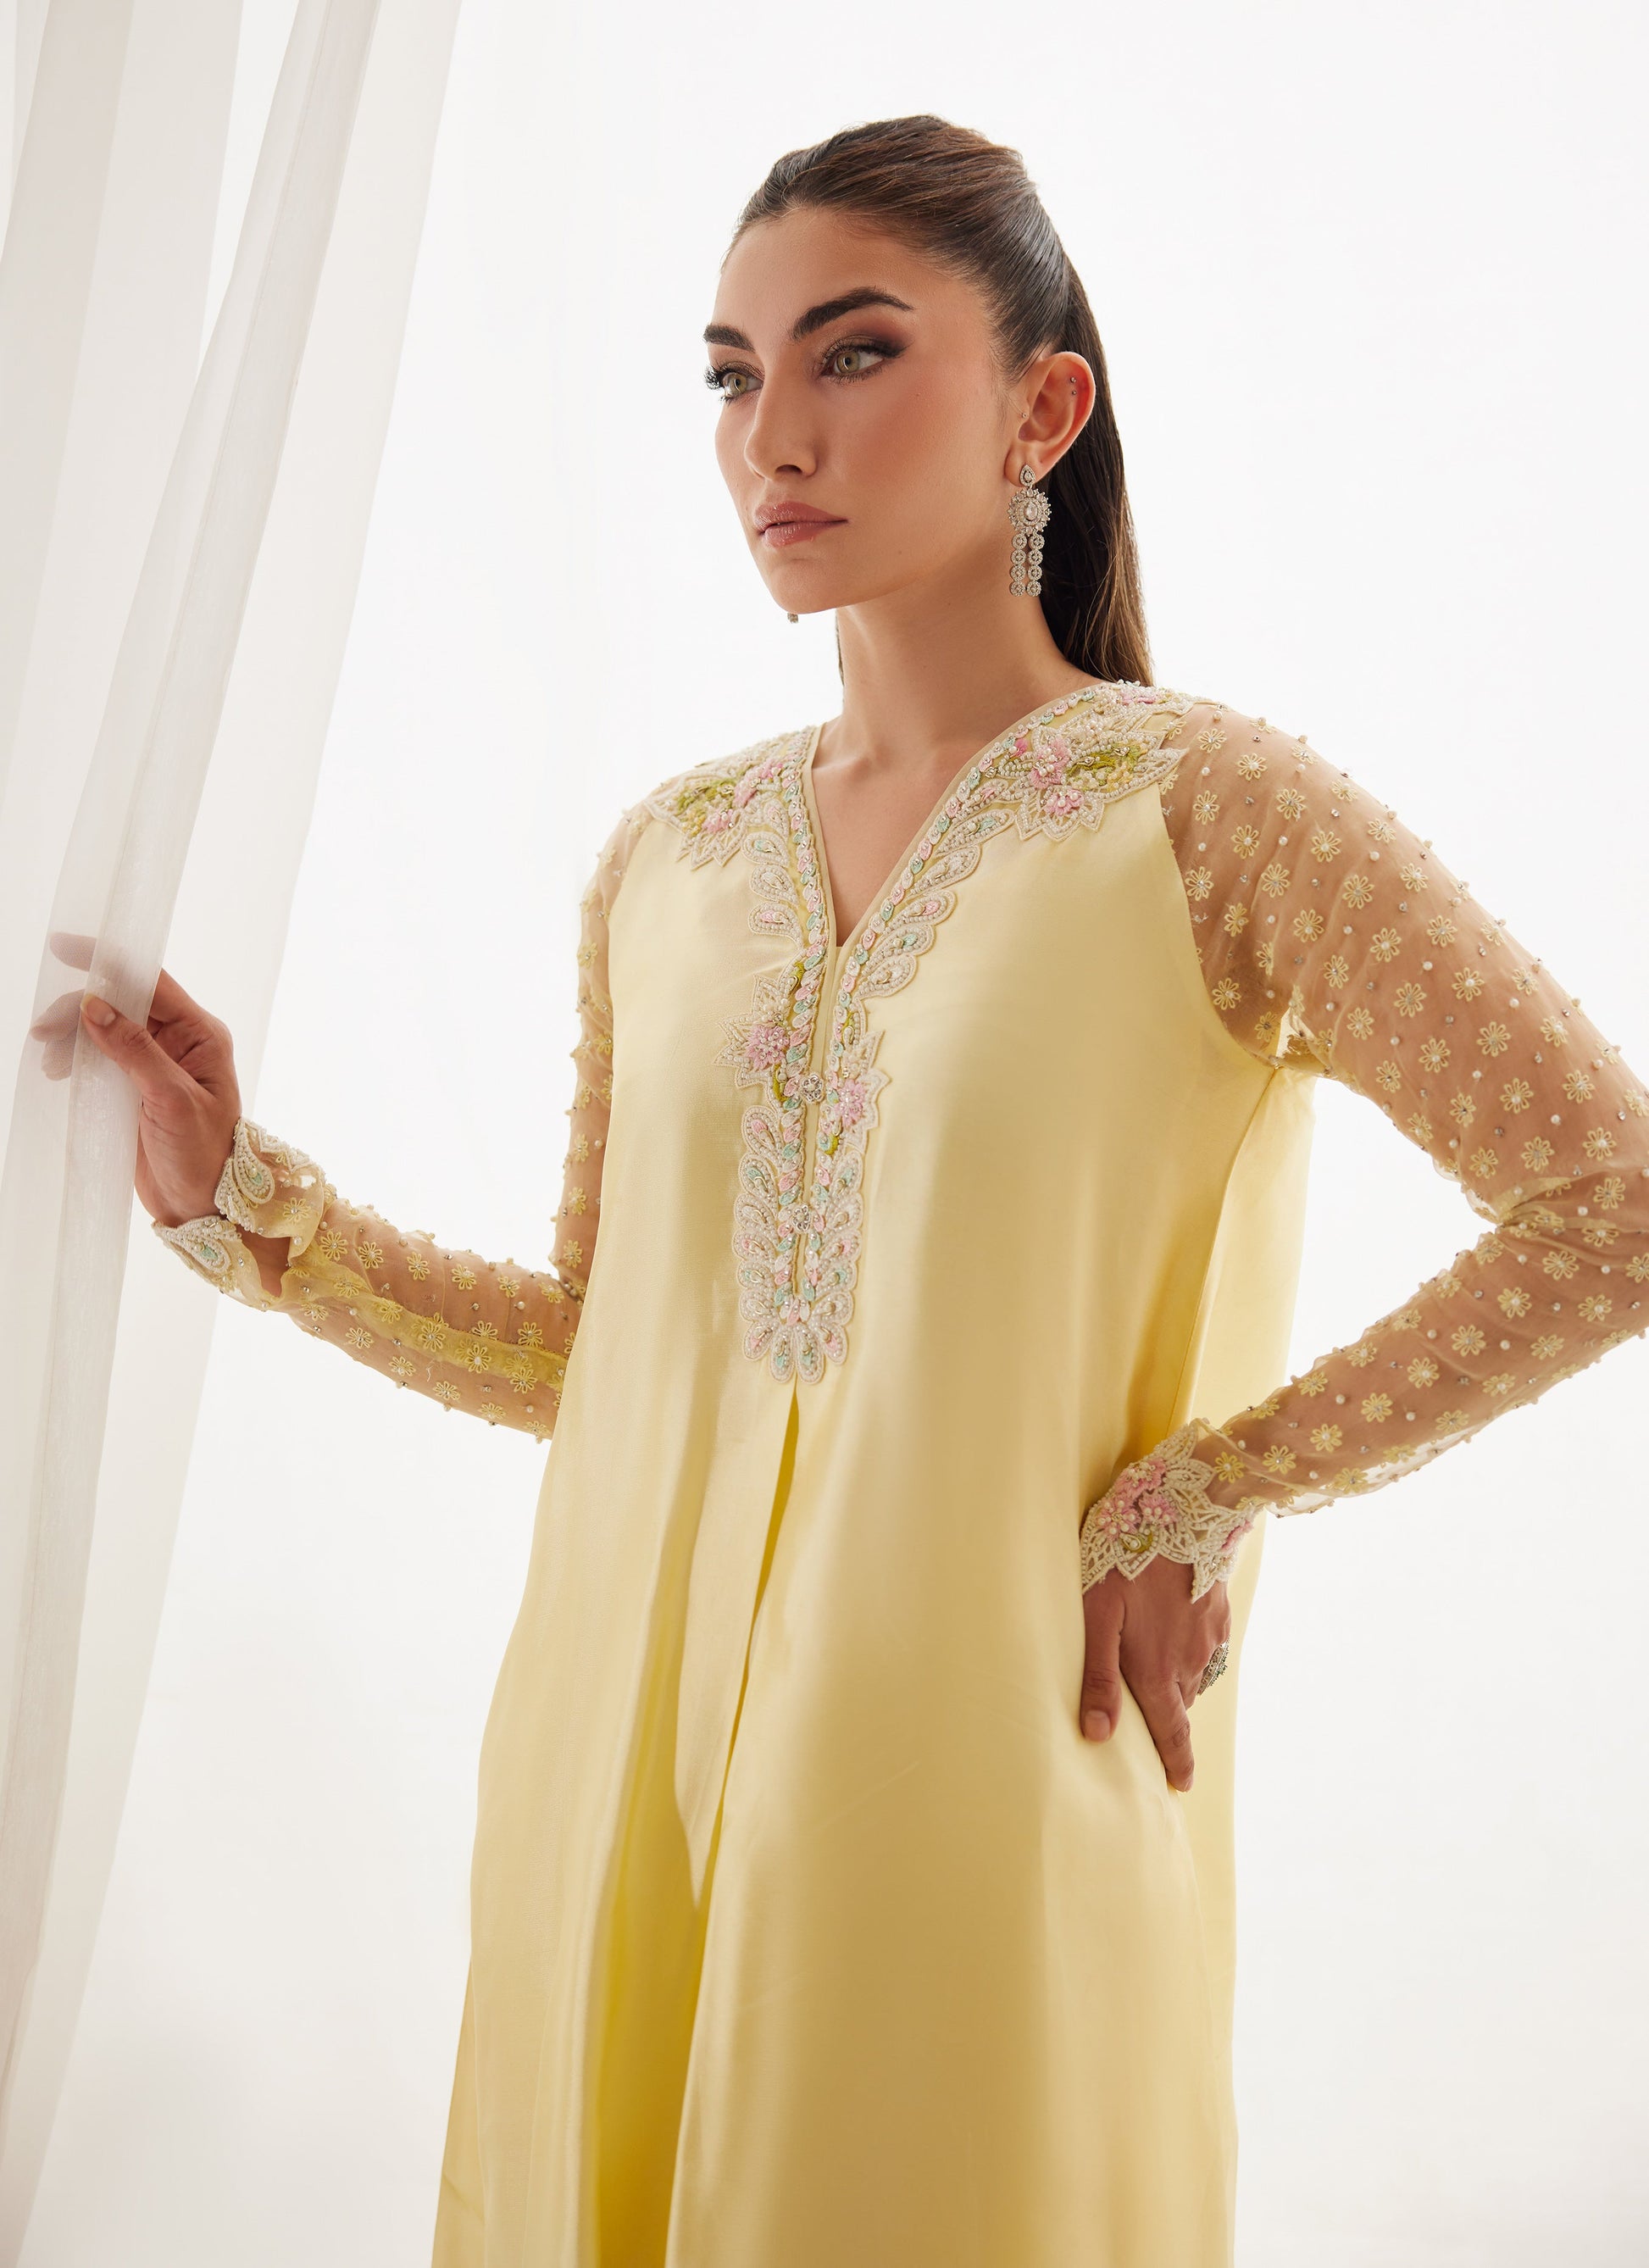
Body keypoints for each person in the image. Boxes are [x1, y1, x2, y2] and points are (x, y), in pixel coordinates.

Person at [49, 114, 1649, 2268]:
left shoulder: (1206, 814)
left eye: (855, 353)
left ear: (1041, 411)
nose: (772, 435)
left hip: (980, 1781)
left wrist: (1211, 1486)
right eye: (732, 374)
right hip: (627, 1776)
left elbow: (1608, 1202)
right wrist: (252, 1207)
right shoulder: (665, 861)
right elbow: (604, 1353)